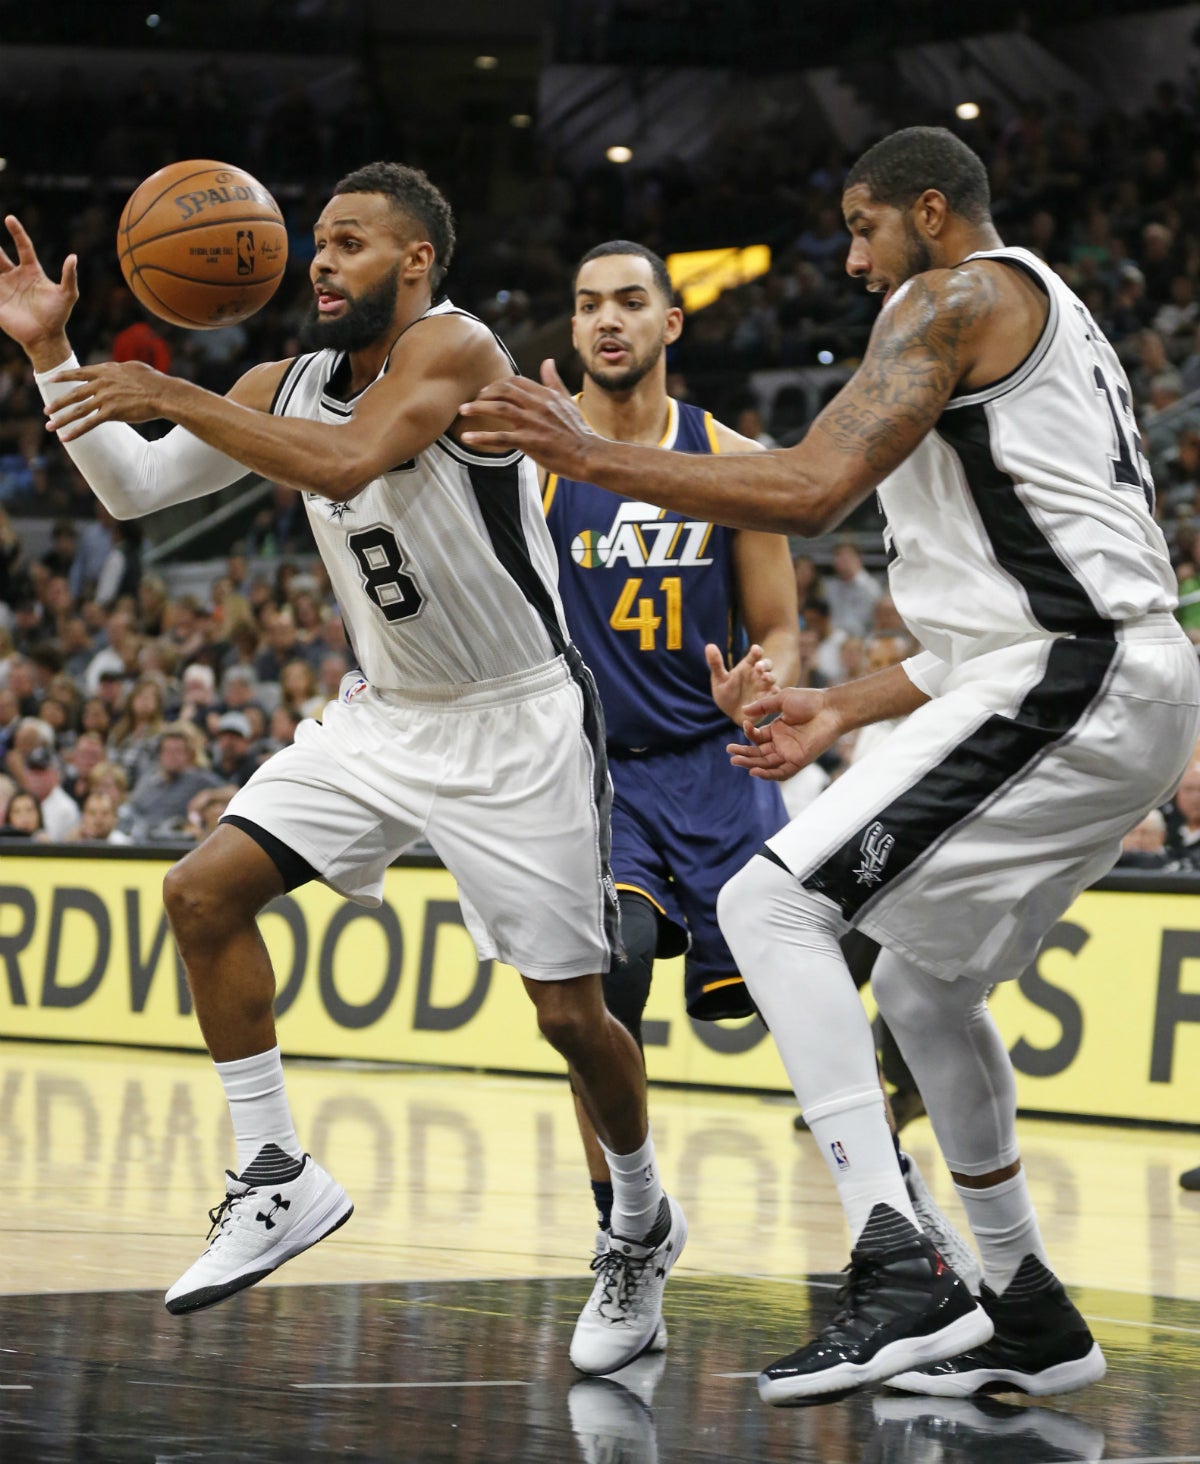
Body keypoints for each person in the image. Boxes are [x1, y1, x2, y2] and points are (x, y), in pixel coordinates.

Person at [461, 126, 1199, 1404]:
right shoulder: (1052, 316)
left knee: (770, 905)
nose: (852, 260)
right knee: (920, 990)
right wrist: (839, 706)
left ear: (931, 211)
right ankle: (1026, 1308)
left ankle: (897, 1263)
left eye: (864, 229)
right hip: (1099, 679)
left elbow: (806, 490)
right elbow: (996, 617)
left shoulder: (950, 297)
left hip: (1076, 677)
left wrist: (578, 452)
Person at [2, 163, 684, 1373]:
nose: (321, 260)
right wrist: (52, 355)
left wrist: (167, 388)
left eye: (351, 241)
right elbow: (134, 491)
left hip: (517, 720)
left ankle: (638, 1220)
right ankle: (276, 1172)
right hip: (386, 717)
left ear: (416, 261)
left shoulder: (457, 349)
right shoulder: (282, 384)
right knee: (200, 893)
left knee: (572, 1018)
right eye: (317, 239)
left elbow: (345, 463)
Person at [544, 238, 800, 1247]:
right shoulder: (536, 462)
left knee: (793, 992)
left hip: (717, 764)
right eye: (587, 304)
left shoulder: (733, 460)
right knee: (612, 974)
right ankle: (625, 1224)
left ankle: (892, 1194)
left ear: (670, 322)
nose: (607, 319)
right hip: (600, 778)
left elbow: (777, 624)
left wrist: (762, 682)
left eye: (628, 301)